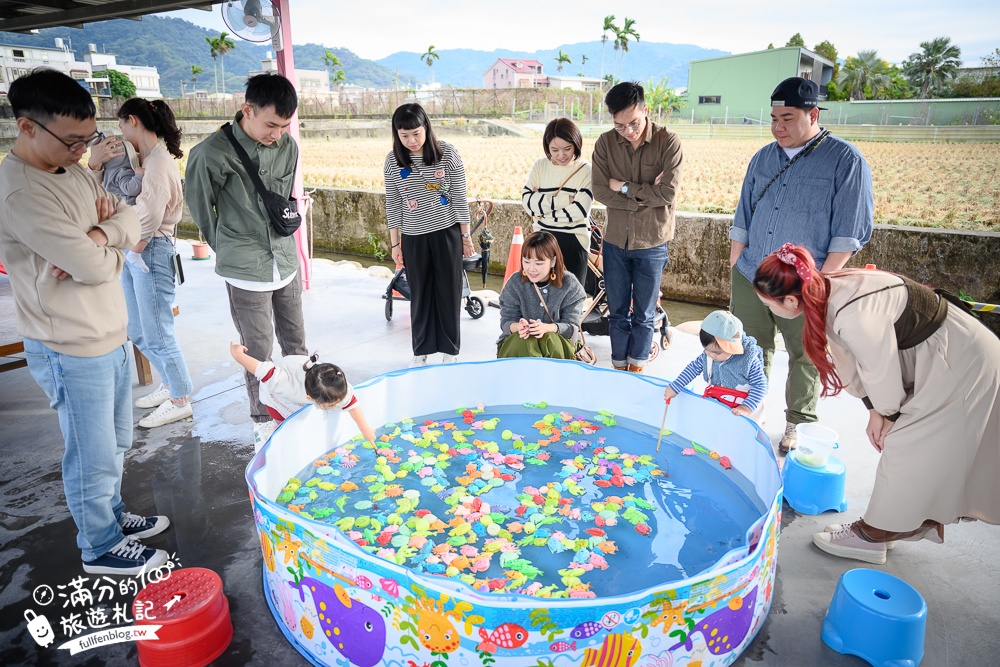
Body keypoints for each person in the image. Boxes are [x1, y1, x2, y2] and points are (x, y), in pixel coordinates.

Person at [0, 69, 169, 575]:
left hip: (108, 334)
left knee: (116, 441)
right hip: (68, 344)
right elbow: (101, 260)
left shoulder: (70, 170)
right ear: (27, 126)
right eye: (72, 140)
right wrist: (106, 244)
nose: (83, 151)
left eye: (87, 139)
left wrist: (96, 237)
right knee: (91, 451)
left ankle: (113, 515)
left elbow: (130, 218)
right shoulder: (20, 193)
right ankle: (98, 544)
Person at [754, 243, 1000, 564]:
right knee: (917, 448)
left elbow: (879, 371)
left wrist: (886, 414)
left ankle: (873, 534)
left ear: (789, 300)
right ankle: (897, 524)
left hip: (958, 360)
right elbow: (851, 361)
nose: (767, 309)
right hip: (939, 353)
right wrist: (874, 409)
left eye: (767, 304)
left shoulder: (851, 312)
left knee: (906, 445)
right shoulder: (824, 289)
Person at [729, 76, 873, 451]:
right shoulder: (763, 156)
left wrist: (819, 284)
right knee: (747, 347)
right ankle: (748, 411)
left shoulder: (845, 160)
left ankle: (796, 424)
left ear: (813, 114)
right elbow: (743, 212)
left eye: (788, 118)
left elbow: (849, 232)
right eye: (774, 118)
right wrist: (735, 260)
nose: (778, 127)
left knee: (806, 354)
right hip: (751, 273)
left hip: (804, 283)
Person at [186, 73, 307, 450]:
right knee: (257, 352)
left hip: (284, 260)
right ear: (247, 110)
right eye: (271, 124)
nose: (277, 134)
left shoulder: (288, 147)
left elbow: (283, 198)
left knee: (297, 345)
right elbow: (202, 210)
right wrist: (231, 246)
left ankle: (302, 406)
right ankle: (262, 423)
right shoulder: (211, 153)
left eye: (284, 126)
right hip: (245, 267)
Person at [88, 98, 194, 428]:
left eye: (121, 124)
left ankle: (180, 399)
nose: (119, 130)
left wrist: (126, 237)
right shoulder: (146, 159)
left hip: (151, 249)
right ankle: (170, 385)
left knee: (158, 332)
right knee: (137, 328)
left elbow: (151, 212)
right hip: (136, 249)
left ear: (133, 121)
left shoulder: (159, 161)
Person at [591, 81, 683, 374]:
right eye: (620, 126)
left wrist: (624, 187)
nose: (628, 131)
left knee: (644, 313)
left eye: (634, 123)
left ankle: (637, 370)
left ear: (646, 109)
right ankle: (619, 369)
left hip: (653, 241)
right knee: (617, 312)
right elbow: (599, 191)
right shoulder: (605, 144)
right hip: (615, 240)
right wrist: (642, 197)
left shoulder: (669, 142)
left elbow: (667, 194)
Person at [383, 103, 475, 366]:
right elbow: (393, 202)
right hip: (413, 237)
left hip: (447, 234)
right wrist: (395, 243)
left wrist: (466, 236)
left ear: (426, 128)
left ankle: (450, 350)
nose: (411, 140)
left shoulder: (447, 154)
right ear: (396, 134)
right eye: (404, 135)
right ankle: (421, 349)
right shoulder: (393, 161)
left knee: (449, 291)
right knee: (419, 294)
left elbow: (459, 196)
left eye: (416, 133)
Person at [229, 343, 377, 451]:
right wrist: (238, 354)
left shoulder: (336, 386)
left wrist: (366, 431)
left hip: (305, 385)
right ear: (309, 398)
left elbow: (352, 404)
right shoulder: (282, 382)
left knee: (301, 418)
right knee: (283, 423)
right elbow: (261, 369)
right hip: (275, 397)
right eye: (331, 406)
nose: (336, 406)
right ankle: (273, 429)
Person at [521, 118, 594, 285]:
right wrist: (564, 200)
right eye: (554, 150)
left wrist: (543, 210)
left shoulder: (585, 170)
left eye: (567, 149)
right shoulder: (540, 166)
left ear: (576, 144)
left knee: (571, 298)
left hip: (573, 239)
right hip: (542, 238)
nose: (561, 156)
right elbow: (527, 203)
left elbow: (580, 211)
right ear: (547, 147)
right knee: (539, 295)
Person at [663, 310, 767, 421]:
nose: (711, 355)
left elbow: (760, 386)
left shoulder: (749, 360)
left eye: (717, 353)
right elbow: (692, 369)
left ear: (733, 348)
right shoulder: (708, 355)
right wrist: (676, 386)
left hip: (746, 404)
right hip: (720, 398)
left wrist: (746, 408)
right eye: (706, 350)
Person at [497, 231, 586, 359]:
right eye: (526, 261)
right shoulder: (515, 282)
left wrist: (548, 328)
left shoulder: (570, 285)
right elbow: (506, 321)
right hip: (520, 343)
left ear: (553, 261)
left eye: (539, 263)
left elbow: (572, 327)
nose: (531, 268)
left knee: (549, 339)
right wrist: (518, 327)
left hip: (558, 344)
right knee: (524, 341)